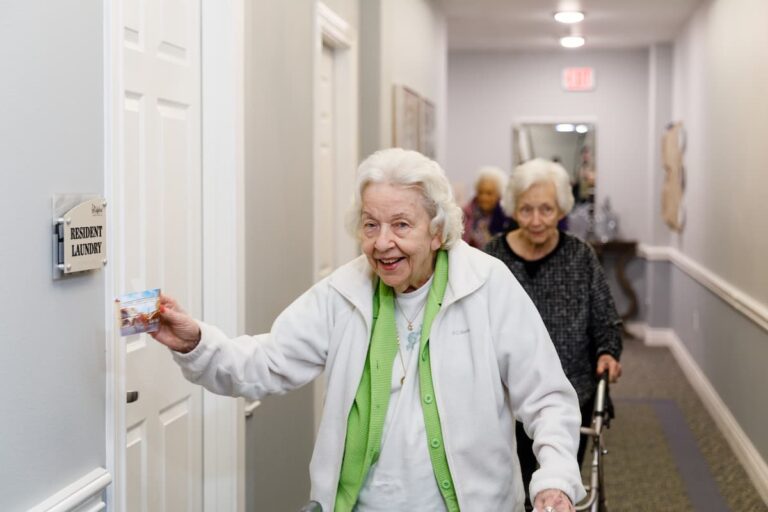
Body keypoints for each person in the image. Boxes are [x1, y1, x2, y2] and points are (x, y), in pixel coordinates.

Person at [151, 149, 585, 512]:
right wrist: (196, 343)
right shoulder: (344, 291)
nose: (382, 243)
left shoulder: (488, 286)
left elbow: (546, 397)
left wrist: (555, 479)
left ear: (437, 232)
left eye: (400, 225)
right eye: (370, 225)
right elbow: (266, 362)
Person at [484, 158, 623, 511]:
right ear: (513, 209)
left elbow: (606, 320)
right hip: (504, 399)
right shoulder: (492, 258)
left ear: (561, 208)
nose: (535, 220)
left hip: (569, 397)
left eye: (546, 209)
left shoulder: (580, 256)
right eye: (526, 209)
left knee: (556, 488)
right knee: (505, 488)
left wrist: (608, 352)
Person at [461, 166, 516, 248]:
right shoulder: (465, 214)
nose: (484, 197)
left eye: (489, 193)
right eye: (480, 192)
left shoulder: (507, 217)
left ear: (499, 195)